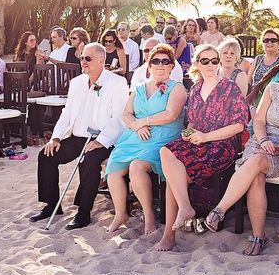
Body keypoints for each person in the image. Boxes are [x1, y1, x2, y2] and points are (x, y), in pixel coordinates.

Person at [204, 45, 279, 255]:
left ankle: (219, 210)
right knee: (255, 175)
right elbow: (259, 120)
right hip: (260, 142)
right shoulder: (274, 89)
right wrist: (262, 140)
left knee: (256, 163)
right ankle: (258, 236)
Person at [154, 45, 248, 251]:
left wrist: (206, 137)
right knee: (166, 152)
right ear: (197, 64)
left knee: (173, 178)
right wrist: (190, 134)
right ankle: (185, 209)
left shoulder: (230, 88)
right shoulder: (195, 90)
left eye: (215, 61)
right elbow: (193, 123)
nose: (211, 65)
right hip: (199, 142)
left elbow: (239, 125)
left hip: (222, 145)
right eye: (205, 61)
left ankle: (169, 235)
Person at [30, 43, 128, 229]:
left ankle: (83, 213)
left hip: (104, 139)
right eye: (82, 57)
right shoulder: (77, 83)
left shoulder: (117, 83)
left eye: (88, 58)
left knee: (89, 161)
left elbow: (119, 118)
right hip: (78, 137)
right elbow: (67, 113)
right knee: (46, 155)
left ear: (101, 60)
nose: (83, 61)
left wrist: (100, 141)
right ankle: (52, 205)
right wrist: (56, 137)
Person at [105, 44, 186, 234]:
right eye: (155, 61)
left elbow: (171, 114)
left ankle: (149, 215)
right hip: (136, 135)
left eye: (165, 61)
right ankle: (120, 213)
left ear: (171, 66)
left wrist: (144, 121)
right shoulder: (139, 88)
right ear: (149, 65)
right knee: (114, 167)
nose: (160, 65)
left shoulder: (177, 88)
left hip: (163, 137)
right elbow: (126, 114)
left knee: (137, 166)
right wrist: (136, 125)